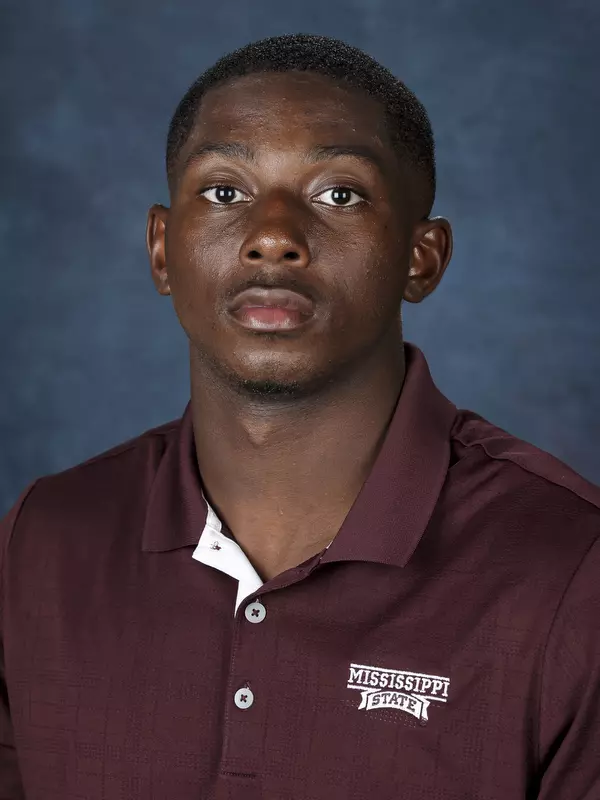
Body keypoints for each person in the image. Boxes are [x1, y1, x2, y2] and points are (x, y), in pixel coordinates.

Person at [1, 32, 599, 800]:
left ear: (423, 259)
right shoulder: (44, 540)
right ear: (160, 249)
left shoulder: (573, 573)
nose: (274, 237)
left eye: (338, 193)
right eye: (224, 192)